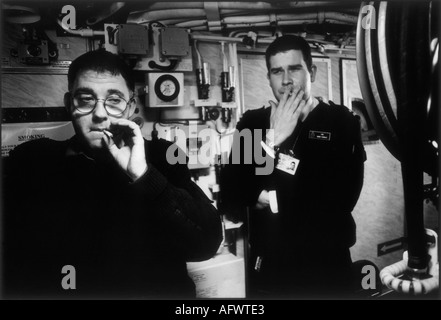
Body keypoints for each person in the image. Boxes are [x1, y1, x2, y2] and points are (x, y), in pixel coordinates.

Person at [2, 49, 222, 299]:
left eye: (114, 100)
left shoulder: (163, 157)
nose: (99, 113)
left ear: (130, 107)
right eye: (85, 99)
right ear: (68, 104)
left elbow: (206, 243)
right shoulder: (32, 161)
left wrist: (144, 175)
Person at [220, 35, 366, 299]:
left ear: (312, 72)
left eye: (294, 69)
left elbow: (341, 200)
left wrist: (262, 191)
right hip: (273, 265)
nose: (286, 79)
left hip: (327, 264)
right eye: (277, 71)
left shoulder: (342, 121)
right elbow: (232, 195)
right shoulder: (253, 123)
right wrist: (273, 140)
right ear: (269, 78)